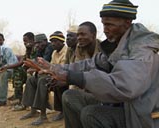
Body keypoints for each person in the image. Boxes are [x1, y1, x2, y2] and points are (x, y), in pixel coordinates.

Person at [36, 0, 159, 128]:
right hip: (119, 103)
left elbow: (124, 86)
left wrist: (71, 77)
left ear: (127, 23)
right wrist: (54, 68)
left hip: (140, 115)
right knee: (70, 96)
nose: (105, 30)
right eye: (104, 25)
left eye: (110, 25)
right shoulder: (118, 46)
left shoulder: (141, 51)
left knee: (91, 114)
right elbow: (89, 64)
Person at [20, 31, 67, 126]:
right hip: (53, 74)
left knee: (42, 81)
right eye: (52, 41)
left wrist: (43, 70)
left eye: (55, 41)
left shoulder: (64, 51)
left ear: (62, 42)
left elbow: (60, 70)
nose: (53, 43)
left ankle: (43, 116)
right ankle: (33, 110)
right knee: (31, 79)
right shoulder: (54, 52)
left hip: (62, 77)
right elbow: (50, 66)